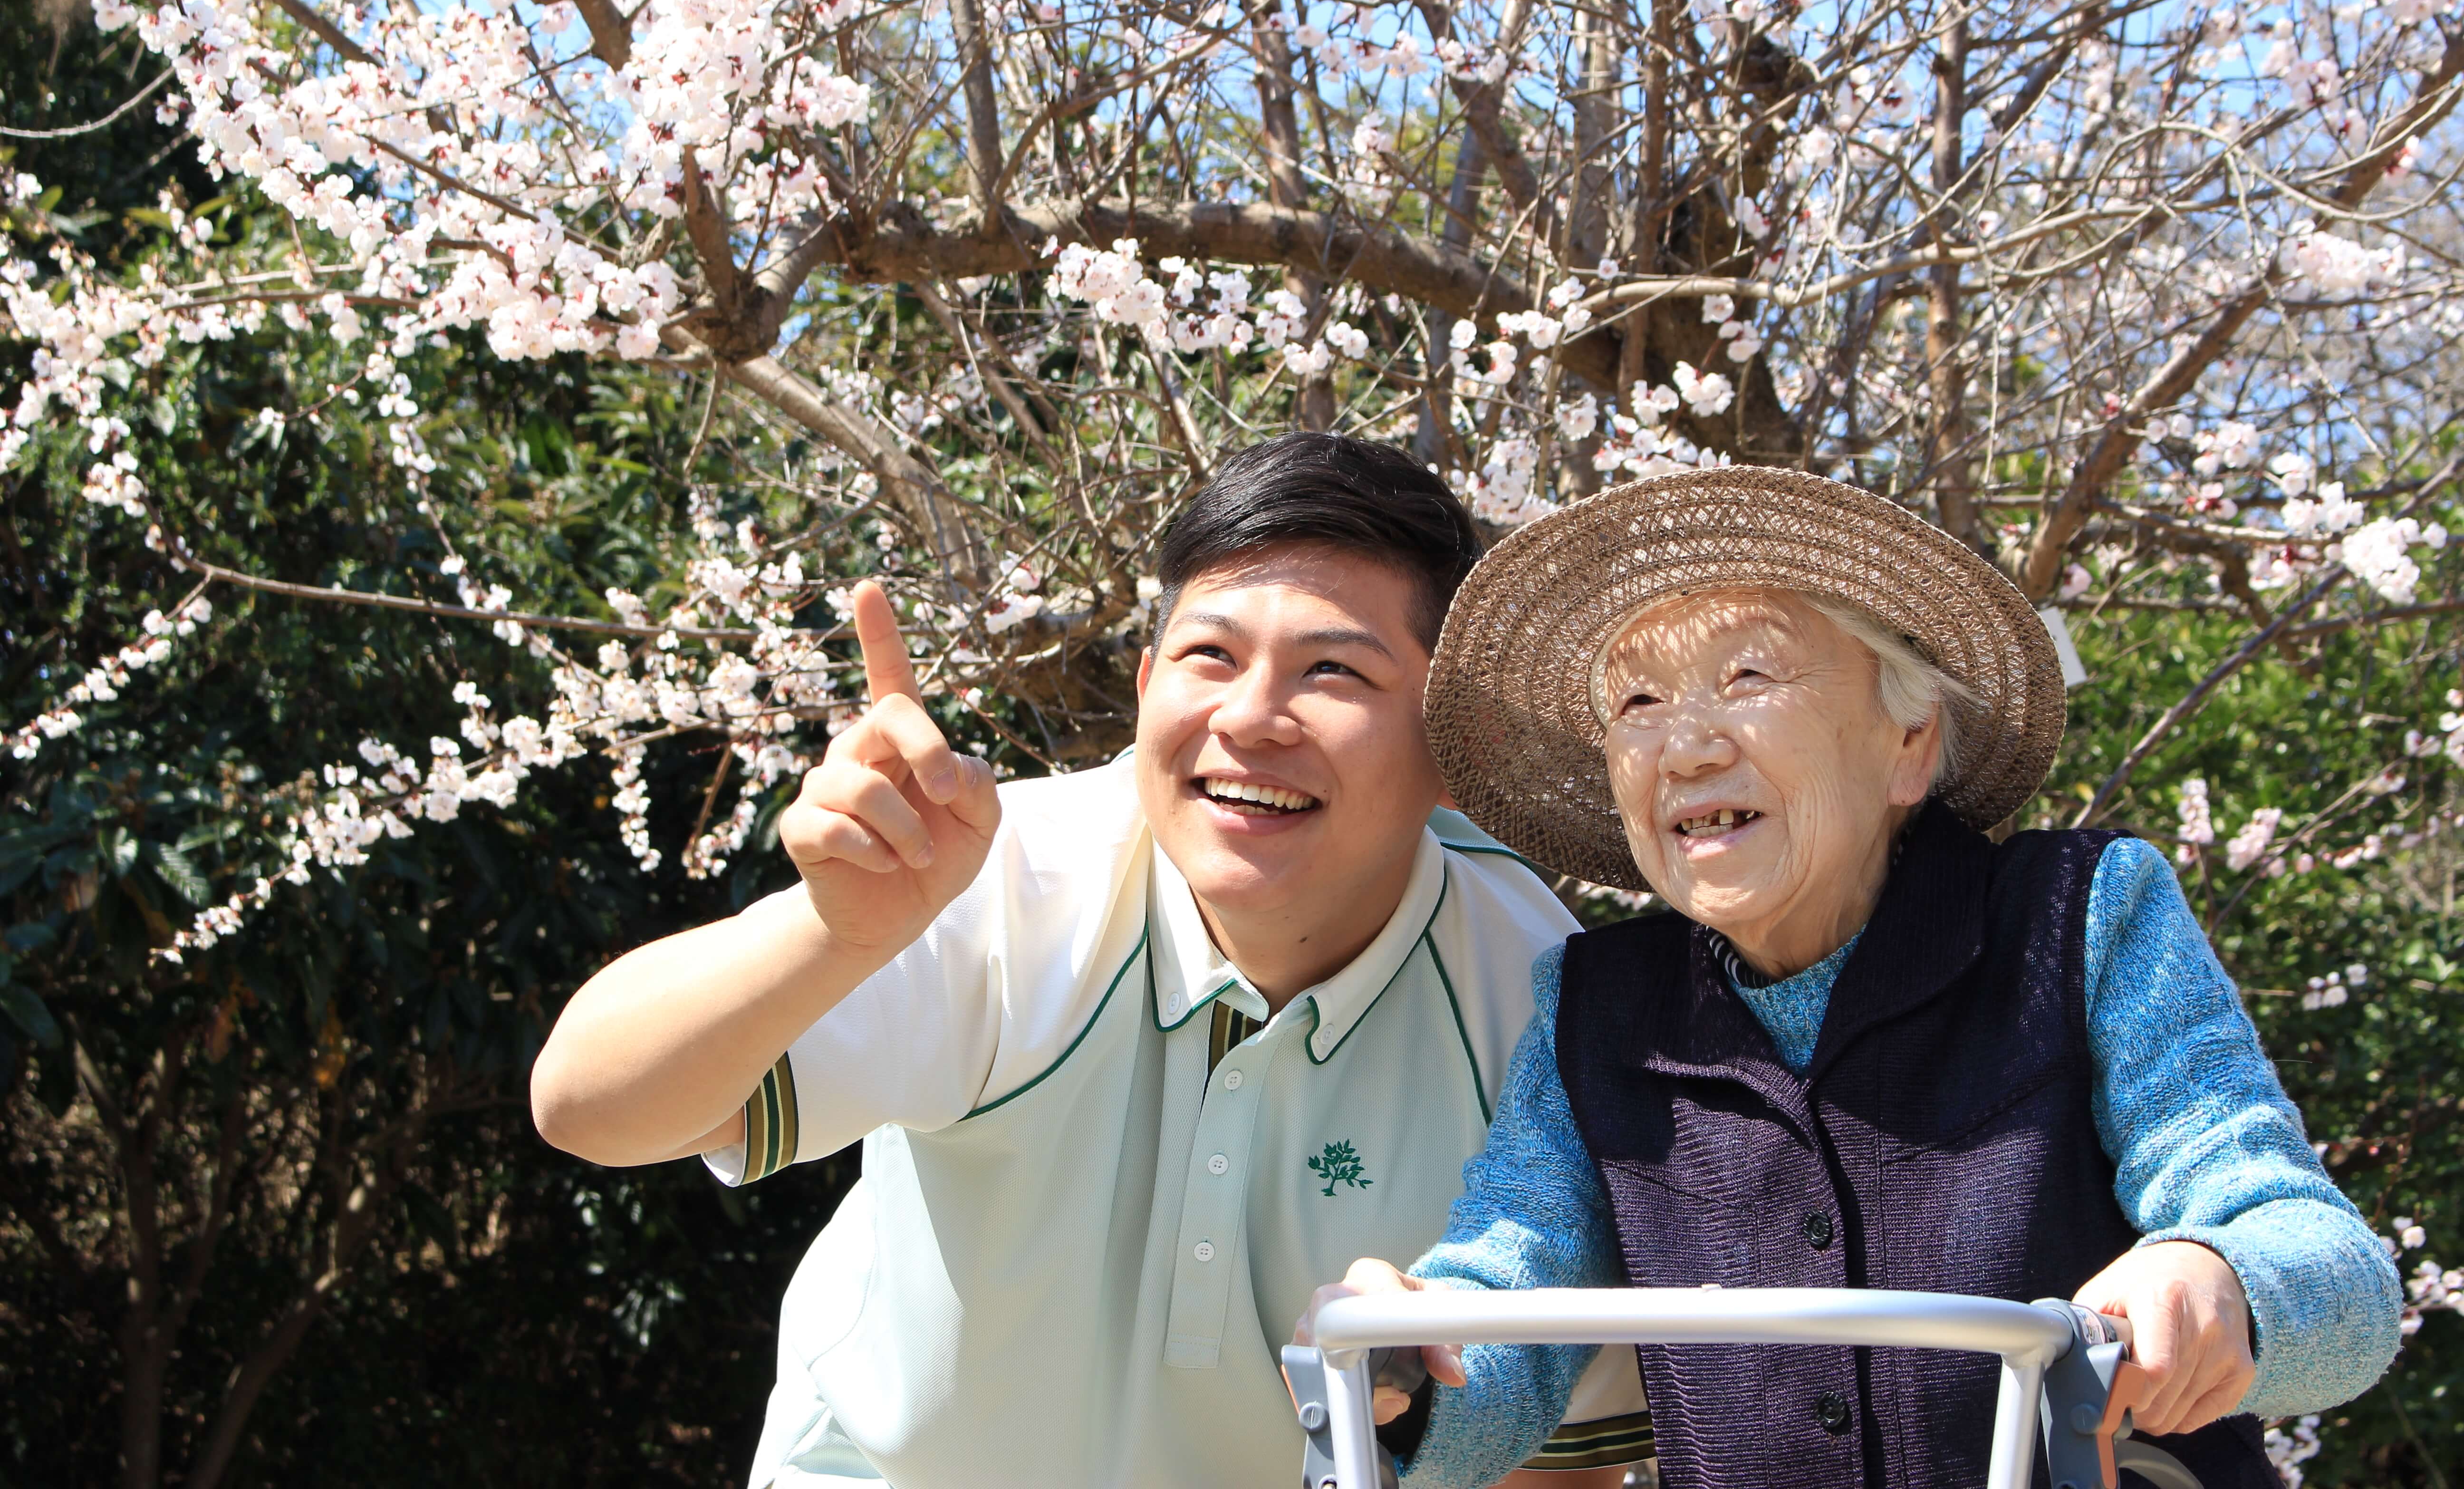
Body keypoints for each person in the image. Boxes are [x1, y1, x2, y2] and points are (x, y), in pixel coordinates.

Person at [529, 434, 1650, 1489]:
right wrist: (835, 935)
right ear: (1147, 678)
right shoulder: (1001, 877)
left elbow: (1555, 1456)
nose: (1251, 718)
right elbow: (587, 1106)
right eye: (1210, 654)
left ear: (1456, 743)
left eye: (1335, 674)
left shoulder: (1535, 997)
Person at [1301, 465, 2401, 1489]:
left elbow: (2321, 1265)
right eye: (1636, 705)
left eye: (1747, 675)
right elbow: (1506, 1293)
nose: (1683, 748)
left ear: (1911, 740)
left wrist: (2218, 1279)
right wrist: (1411, 1357)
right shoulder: (1597, 1005)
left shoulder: (2082, 916)